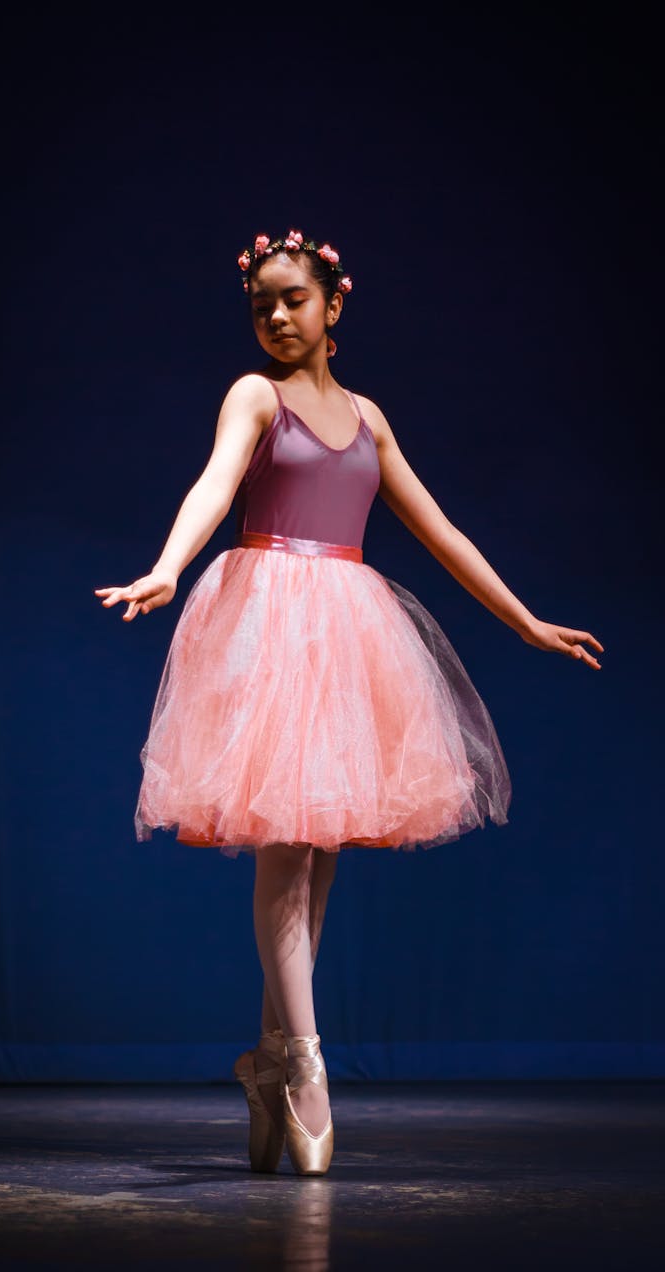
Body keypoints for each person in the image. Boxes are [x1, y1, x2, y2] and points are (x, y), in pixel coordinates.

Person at [95, 229, 603, 1178]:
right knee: (285, 850)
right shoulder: (257, 397)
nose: (278, 318)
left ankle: (267, 1060)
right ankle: (308, 1069)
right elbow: (214, 482)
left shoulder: (369, 419)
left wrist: (527, 622)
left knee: (319, 860)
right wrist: (167, 567)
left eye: (294, 300)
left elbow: (439, 527)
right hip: (272, 623)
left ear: (335, 306)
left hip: (350, 629)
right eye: (262, 306)